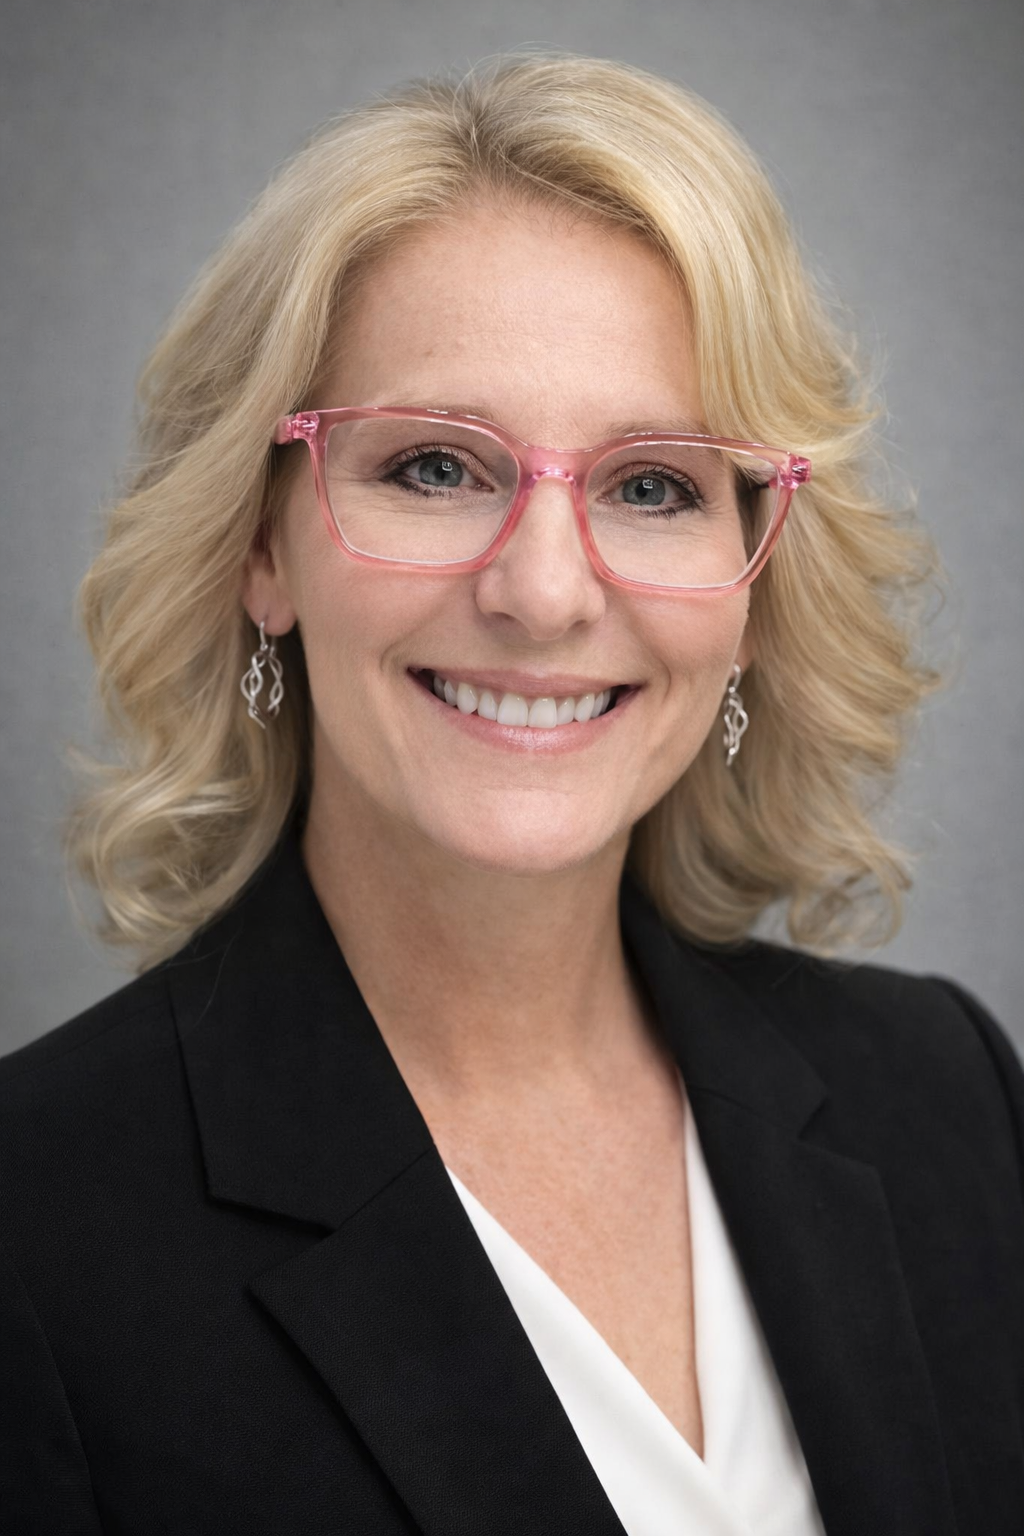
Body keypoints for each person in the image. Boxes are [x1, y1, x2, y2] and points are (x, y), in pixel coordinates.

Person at [1, 52, 1020, 1536]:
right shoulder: (36, 1230)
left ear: (753, 582)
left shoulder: (952, 1100)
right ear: (261, 552)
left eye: (656, 484)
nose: (544, 594)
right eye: (433, 466)